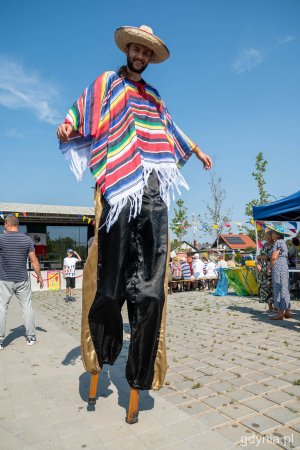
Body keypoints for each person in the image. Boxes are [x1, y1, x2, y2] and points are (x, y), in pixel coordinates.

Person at [57, 24, 212, 417]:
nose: (140, 55)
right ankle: (101, 354)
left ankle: (139, 375)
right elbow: (80, 111)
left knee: (151, 291)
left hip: (153, 188)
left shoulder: (155, 97)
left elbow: (170, 129)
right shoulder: (108, 83)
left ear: (150, 57)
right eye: (136, 49)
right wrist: (68, 126)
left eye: (147, 52)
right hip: (118, 188)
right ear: (127, 49)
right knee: (108, 282)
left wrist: (195, 149)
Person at [0, 215, 44, 350]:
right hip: (22, 279)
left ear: (7, 224)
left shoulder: (1, 239)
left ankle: (0, 340)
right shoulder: (26, 239)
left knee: (2, 308)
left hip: (4, 279)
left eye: (4, 224)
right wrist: (39, 276)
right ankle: (31, 337)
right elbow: (34, 260)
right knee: (27, 307)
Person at [267, 225, 291, 320]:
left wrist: (269, 267)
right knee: (285, 287)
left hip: (278, 266)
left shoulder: (277, 242)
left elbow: (274, 257)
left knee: (279, 287)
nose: (271, 234)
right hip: (284, 265)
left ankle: (280, 313)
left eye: (272, 232)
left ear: (276, 234)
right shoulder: (283, 242)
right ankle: (288, 311)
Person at [256, 230, 274, 312]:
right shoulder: (264, 245)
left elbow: (268, 257)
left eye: (266, 234)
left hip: (271, 268)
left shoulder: (274, 245)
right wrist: (258, 264)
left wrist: (261, 257)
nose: (264, 236)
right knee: (265, 287)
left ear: (270, 236)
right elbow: (258, 257)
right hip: (263, 269)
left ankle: (277, 307)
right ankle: (270, 307)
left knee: (272, 287)